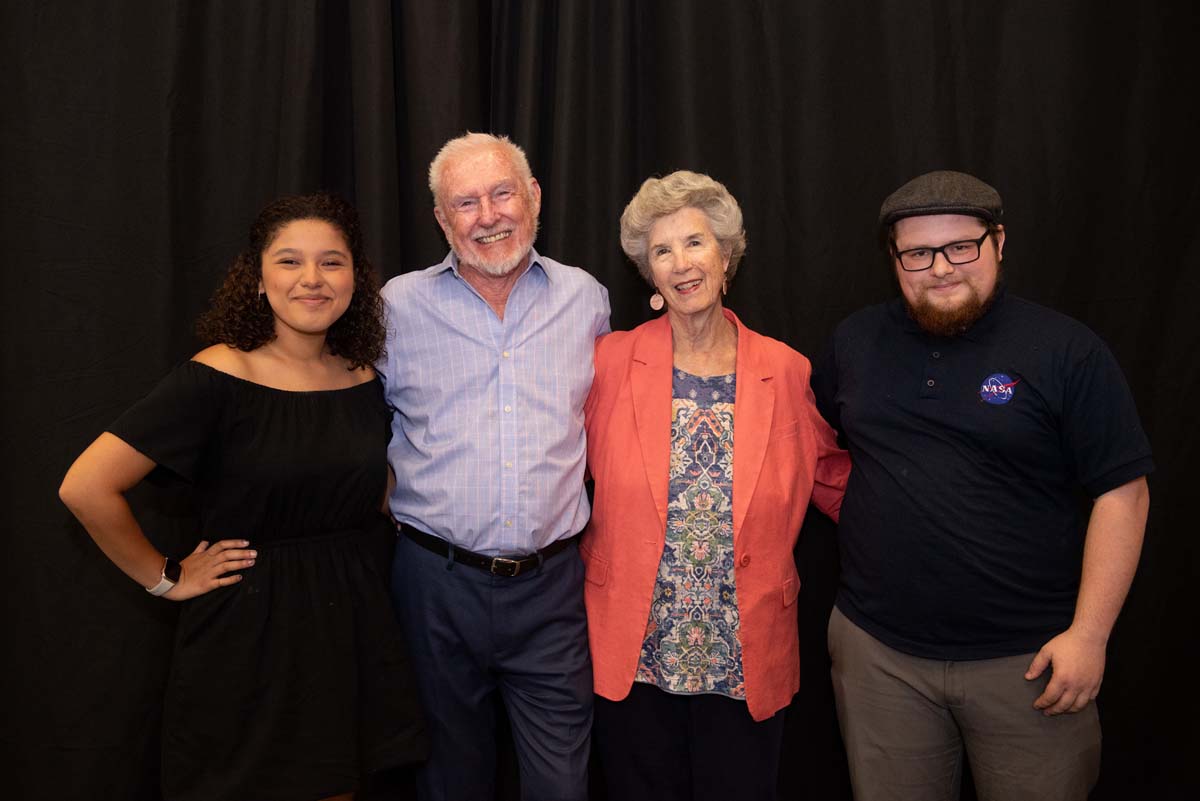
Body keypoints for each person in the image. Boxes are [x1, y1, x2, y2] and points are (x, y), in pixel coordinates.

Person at [58, 193, 427, 801]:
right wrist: (166, 579)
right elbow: (86, 486)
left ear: (356, 280)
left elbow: (378, 492)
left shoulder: (365, 378)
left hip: (350, 622)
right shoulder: (219, 375)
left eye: (331, 262)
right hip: (246, 631)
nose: (312, 279)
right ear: (257, 280)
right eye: (289, 262)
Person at [813, 170, 1153, 801]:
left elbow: (1123, 493)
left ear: (998, 241)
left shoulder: (1066, 351)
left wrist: (1090, 635)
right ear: (894, 260)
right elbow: (820, 445)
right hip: (878, 658)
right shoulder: (855, 341)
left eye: (960, 247)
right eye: (917, 253)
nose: (940, 268)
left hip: (1030, 665)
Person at [582, 170, 850, 801]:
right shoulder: (608, 362)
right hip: (637, 641)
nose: (681, 264)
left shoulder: (785, 369)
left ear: (726, 256)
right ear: (649, 274)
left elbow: (834, 480)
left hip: (744, 643)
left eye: (695, 243)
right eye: (662, 251)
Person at [378, 132, 610, 801]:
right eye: (466, 202)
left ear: (534, 197)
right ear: (441, 220)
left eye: (502, 192)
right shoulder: (396, 308)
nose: (489, 216)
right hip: (433, 586)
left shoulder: (586, 299)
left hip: (554, 588)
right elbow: (347, 423)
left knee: (562, 783)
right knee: (448, 781)